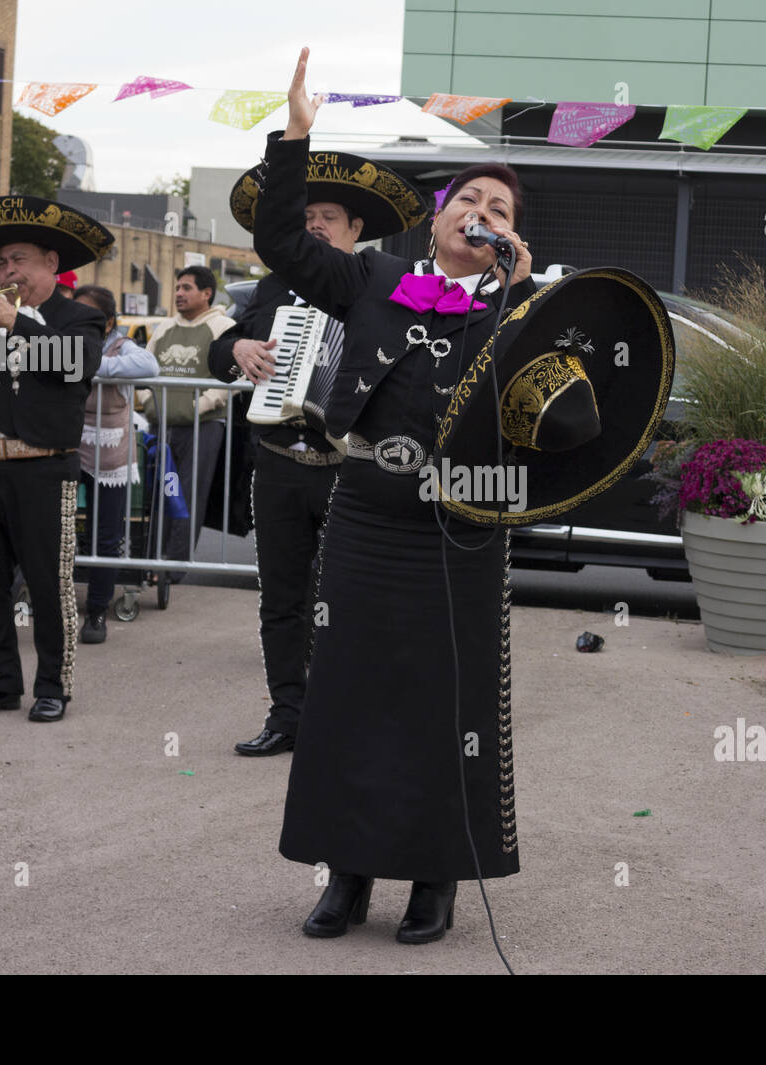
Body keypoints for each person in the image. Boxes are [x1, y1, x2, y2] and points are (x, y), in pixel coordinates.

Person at [253, 48, 534, 944]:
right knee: (350, 696)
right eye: (469, 202)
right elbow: (283, 244)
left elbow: (550, 417)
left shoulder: (514, 314)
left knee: (444, 705)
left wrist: (518, 303)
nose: (480, 216)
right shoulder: (372, 279)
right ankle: (347, 876)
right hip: (369, 515)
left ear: (509, 239)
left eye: (499, 211)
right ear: (441, 218)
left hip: (460, 531)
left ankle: (437, 879)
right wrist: (297, 137)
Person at [210, 144, 425, 758]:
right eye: (305, 215)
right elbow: (220, 349)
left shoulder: (387, 285)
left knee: (351, 599)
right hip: (279, 464)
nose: (314, 225)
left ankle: (347, 716)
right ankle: (288, 714)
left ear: (356, 230)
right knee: (281, 598)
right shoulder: (273, 286)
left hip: (349, 469)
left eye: (327, 216)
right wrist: (237, 353)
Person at [0, 195, 113, 723]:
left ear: (50, 264)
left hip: (42, 466)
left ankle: (52, 686)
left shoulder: (79, 318)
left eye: (20, 261)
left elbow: (75, 366)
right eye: (2, 263)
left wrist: (16, 322)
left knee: (49, 583)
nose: (9, 271)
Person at [72, 285, 159, 644]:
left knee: (106, 535)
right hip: (69, 447)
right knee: (55, 530)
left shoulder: (124, 348)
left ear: (108, 322)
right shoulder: (61, 343)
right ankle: (53, 602)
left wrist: (93, 364)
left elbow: (150, 365)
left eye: (89, 317)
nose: (80, 323)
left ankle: (96, 612)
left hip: (111, 453)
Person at [142, 266, 236, 577]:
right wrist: (146, 401)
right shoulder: (165, 327)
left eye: (187, 288)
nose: (179, 293)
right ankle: (150, 561)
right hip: (161, 424)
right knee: (155, 495)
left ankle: (175, 567)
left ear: (207, 293)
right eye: (177, 287)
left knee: (186, 496)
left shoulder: (224, 326)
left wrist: (202, 404)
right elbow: (144, 367)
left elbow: (233, 374)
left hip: (203, 426)